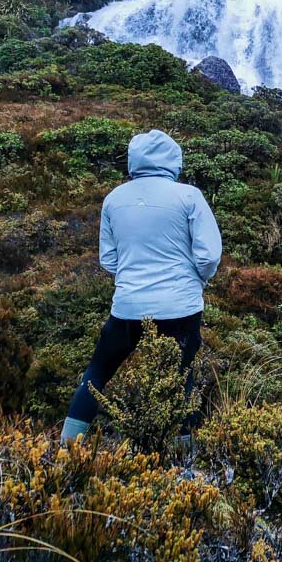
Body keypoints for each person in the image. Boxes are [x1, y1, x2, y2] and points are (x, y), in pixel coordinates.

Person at [60, 130, 222, 443]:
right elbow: (209, 255)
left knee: (98, 371)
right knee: (181, 379)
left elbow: (109, 259)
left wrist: (133, 277)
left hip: (128, 306)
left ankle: (65, 448)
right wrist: (197, 280)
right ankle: (182, 461)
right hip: (180, 306)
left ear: (134, 161)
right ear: (173, 160)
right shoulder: (189, 196)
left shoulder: (113, 199)